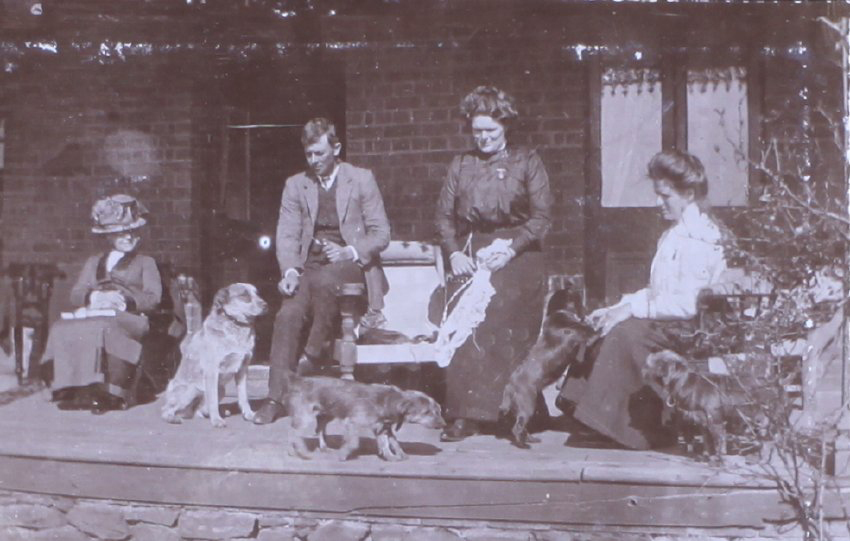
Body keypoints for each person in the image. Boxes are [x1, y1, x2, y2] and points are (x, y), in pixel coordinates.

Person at [557, 149, 728, 450]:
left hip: (692, 327)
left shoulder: (703, 237)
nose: (657, 203)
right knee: (604, 325)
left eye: (665, 196)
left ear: (688, 193)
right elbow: (656, 291)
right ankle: (589, 415)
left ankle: (628, 429)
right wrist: (614, 309)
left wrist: (630, 311)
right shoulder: (673, 235)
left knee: (627, 334)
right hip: (669, 320)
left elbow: (687, 304)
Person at [253, 117, 391, 425]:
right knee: (287, 314)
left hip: (351, 268)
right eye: (309, 154)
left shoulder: (362, 179)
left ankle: (311, 358)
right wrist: (289, 271)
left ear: (336, 148)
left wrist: (349, 251)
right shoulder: (295, 185)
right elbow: (287, 234)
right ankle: (275, 398)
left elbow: (381, 233)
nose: (313, 161)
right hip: (309, 268)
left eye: (320, 153)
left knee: (328, 281)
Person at [435, 86, 552, 442]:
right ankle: (464, 413)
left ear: (506, 127)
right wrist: (454, 253)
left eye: (491, 131)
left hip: (520, 251)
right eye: (477, 132)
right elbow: (443, 217)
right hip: (474, 249)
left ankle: (512, 408)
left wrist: (512, 249)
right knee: (461, 311)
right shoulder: (462, 165)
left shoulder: (527, 161)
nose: (483, 138)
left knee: (502, 304)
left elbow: (543, 215)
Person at [41, 194, 162, 413]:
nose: (128, 237)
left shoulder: (146, 263)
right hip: (97, 313)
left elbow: (153, 298)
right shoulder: (94, 262)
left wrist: (123, 300)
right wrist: (95, 298)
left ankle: (110, 393)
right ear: (109, 236)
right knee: (62, 327)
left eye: (133, 232)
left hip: (131, 318)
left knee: (102, 326)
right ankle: (71, 386)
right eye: (121, 233)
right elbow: (76, 294)